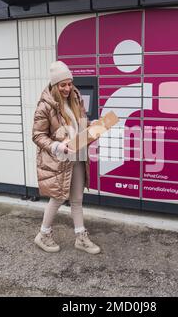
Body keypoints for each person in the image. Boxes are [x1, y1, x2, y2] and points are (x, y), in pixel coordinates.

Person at [32, 61, 101, 255]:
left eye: (69, 83)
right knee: (57, 198)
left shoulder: (76, 98)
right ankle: (43, 235)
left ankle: (81, 237)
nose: (67, 88)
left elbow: (81, 123)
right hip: (60, 160)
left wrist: (93, 126)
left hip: (77, 156)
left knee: (77, 199)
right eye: (63, 84)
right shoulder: (45, 106)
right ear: (55, 85)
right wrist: (57, 145)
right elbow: (37, 135)